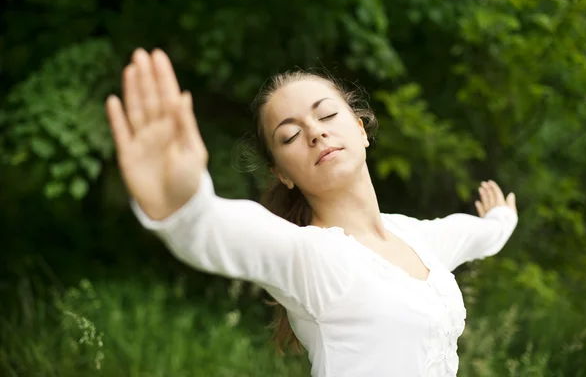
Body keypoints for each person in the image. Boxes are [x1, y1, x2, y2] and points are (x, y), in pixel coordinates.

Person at [105, 48, 518, 377]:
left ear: (360, 128)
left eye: (327, 115)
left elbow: (477, 234)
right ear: (281, 173)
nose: (316, 132)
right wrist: (181, 202)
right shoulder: (314, 258)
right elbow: (215, 229)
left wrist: (501, 219)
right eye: (290, 135)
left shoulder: (418, 239)